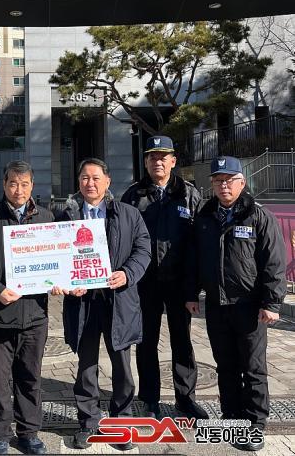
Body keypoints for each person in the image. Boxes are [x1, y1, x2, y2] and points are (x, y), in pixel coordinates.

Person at [186, 156, 286, 452]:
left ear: (242, 183)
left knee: (253, 367)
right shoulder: (205, 217)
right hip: (216, 305)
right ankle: (232, 417)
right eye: (218, 180)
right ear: (212, 184)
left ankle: (255, 423)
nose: (224, 185)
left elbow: (274, 262)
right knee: (226, 366)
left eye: (230, 180)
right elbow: (195, 260)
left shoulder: (258, 216)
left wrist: (272, 302)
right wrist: (191, 293)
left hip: (249, 306)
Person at [53, 158, 151, 451]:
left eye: (96, 178)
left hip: (118, 300)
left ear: (108, 181)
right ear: (78, 182)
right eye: (84, 178)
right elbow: (57, 256)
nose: (90, 183)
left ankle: (121, 422)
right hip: (83, 302)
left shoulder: (128, 214)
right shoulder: (66, 217)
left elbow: (143, 249)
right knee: (86, 365)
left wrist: (127, 273)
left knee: (122, 366)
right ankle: (88, 422)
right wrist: (64, 281)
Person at [0, 160, 54, 455]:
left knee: (30, 378)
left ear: (32, 186)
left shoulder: (45, 217)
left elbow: (56, 259)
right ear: (4, 185)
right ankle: (0, 435)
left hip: (34, 315)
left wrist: (58, 280)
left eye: (24, 184)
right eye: (13, 184)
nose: (19, 190)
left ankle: (29, 432)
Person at [121, 136, 208, 420]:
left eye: (163, 157)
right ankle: (149, 400)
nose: (157, 161)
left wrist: (194, 287)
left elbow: (198, 243)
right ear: (146, 162)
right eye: (152, 157)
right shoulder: (133, 196)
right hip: (145, 283)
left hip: (179, 283)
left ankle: (186, 399)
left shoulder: (189, 194)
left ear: (173, 161)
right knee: (146, 342)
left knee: (182, 341)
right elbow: (123, 240)